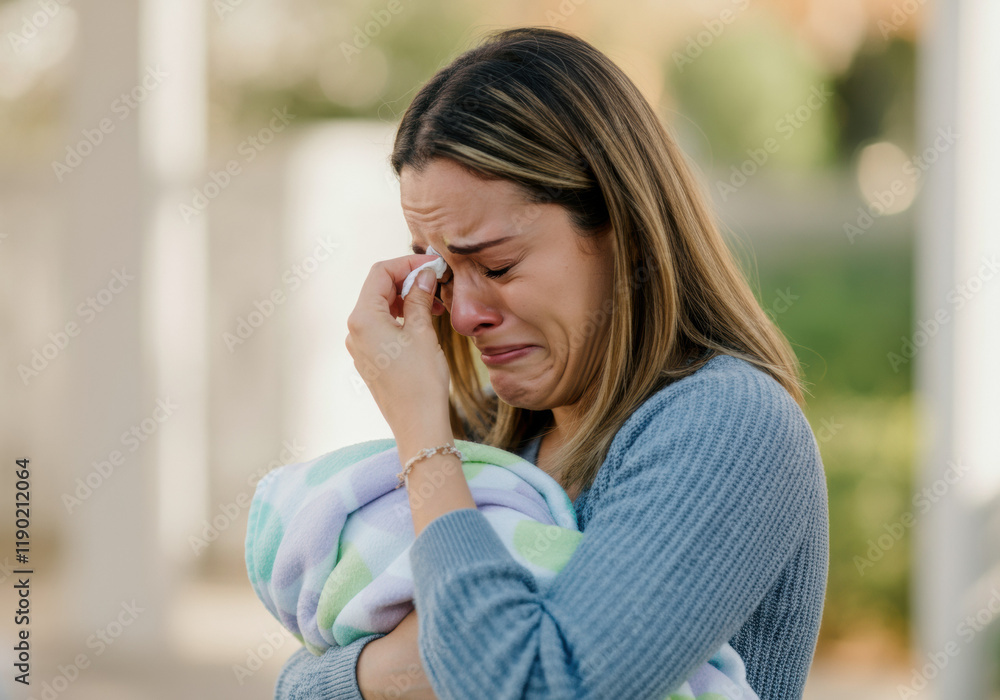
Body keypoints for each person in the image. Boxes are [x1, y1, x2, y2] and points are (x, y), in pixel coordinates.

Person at [274, 25, 828, 700]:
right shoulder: (495, 442)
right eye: (442, 271)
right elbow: (297, 685)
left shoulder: (730, 425)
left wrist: (422, 437)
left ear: (619, 229)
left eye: (498, 264)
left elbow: (538, 685)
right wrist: (412, 665)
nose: (465, 312)